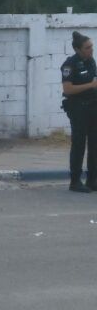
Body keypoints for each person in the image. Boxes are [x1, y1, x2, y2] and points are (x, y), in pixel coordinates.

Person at [61, 31, 97, 193]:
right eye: (88, 47)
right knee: (79, 143)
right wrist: (90, 86)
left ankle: (92, 180)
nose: (91, 50)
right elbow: (68, 89)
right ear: (78, 49)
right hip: (77, 108)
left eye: (92, 47)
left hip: (92, 107)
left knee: (95, 144)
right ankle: (75, 181)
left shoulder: (91, 61)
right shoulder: (70, 64)